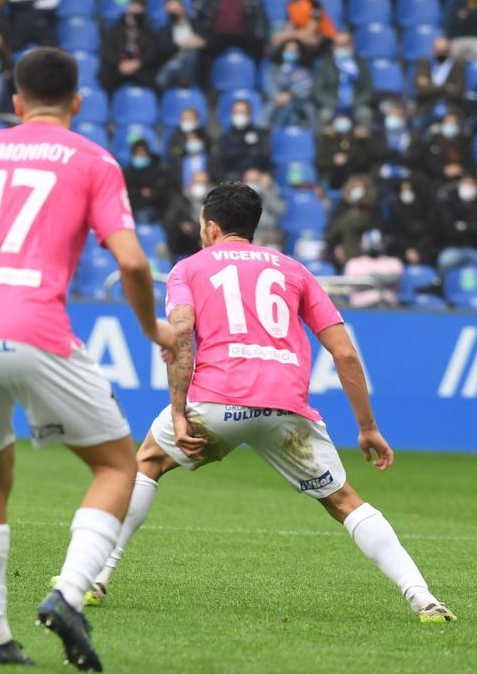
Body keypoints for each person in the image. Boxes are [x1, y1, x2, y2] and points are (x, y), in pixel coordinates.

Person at [0, 48, 175, 669]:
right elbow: (130, 259)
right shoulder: (94, 160)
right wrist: (153, 327)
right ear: (77, 103)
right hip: (34, 327)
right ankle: (69, 595)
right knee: (117, 467)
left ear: (16, 105)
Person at [78, 182, 456, 624]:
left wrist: (179, 412)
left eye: (203, 226)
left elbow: (181, 336)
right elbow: (345, 353)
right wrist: (367, 427)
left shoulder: (190, 268)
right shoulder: (293, 269)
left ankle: (96, 578)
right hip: (285, 408)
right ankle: (423, 598)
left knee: (146, 463)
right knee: (344, 501)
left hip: (215, 400)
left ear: (212, 227)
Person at [436, 176, 477, 286]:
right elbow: (450, 231)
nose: (467, 188)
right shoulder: (450, 203)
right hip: (458, 248)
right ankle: (444, 290)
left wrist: (466, 227)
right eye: (465, 184)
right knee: (445, 260)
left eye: (471, 184)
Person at [313, 32, 374, 126]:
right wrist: (334, 104)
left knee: (365, 114)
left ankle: (363, 141)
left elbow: (368, 90)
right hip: (331, 104)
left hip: (356, 104)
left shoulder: (361, 64)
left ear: (352, 45)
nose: (341, 48)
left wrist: (354, 103)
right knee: (324, 115)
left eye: (345, 44)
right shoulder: (325, 65)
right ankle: (323, 141)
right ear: (333, 47)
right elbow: (318, 91)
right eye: (338, 44)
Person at [100, 0, 160, 92]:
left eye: (138, 9)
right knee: (106, 79)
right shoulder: (115, 29)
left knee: (154, 83)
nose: (134, 14)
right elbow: (107, 51)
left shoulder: (148, 31)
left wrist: (137, 63)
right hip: (118, 67)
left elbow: (152, 52)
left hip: (140, 68)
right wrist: (120, 64)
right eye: (133, 7)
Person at [325, 175, 378, 268]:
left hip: (369, 257)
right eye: (355, 187)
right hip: (346, 255)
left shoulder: (373, 211)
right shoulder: (342, 208)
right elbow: (331, 234)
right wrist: (336, 248)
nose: (357, 191)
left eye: (360, 187)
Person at [383, 178, 439, 266]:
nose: (406, 191)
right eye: (404, 189)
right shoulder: (394, 208)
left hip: (424, 248)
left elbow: (431, 231)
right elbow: (395, 233)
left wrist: (418, 249)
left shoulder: (426, 206)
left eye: (409, 188)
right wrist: (407, 249)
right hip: (401, 249)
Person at [154, 0, 206, 89]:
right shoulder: (164, 31)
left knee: (192, 52)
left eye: (175, 8)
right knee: (161, 79)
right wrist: (183, 45)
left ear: (182, 8)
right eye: (170, 10)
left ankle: (184, 80)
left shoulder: (195, 24)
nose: (173, 11)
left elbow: (207, 40)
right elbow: (163, 49)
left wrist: (201, 42)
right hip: (172, 62)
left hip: (193, 64)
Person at [344, 229, 403, 308]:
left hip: (387, 305)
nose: (374, 246)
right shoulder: (353, 263)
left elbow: (394, 279)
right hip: (359, 306)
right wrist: (379, 280)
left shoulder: (394, 262)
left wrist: (369, 279)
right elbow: (356, 284)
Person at [264, 39, 315, 129]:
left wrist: (290, 94)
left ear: (299, 53)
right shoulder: (273, 69)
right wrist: (278, 97)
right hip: (277, 103)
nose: (290, 52)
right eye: (288, 50)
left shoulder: (304, 71)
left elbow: (307, 88)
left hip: (298, 105)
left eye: (293, 50)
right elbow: (269, 85)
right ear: (282, 51)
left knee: (308, 109)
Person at [414, 37, 467, 121]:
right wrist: (445, 87)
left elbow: (458, 92)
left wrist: (430, 87)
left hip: (451, 108)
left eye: (443, 51)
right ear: (432, 49)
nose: (440, 54)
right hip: (427, 107)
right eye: (438, 50)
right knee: (417, 123)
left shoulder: (457, 66)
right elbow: (422, 90)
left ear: (449, 50)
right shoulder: (424, 64)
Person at [316, 113, 373, 190]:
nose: (342, 122)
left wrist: (347, 158)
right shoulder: (325, 138)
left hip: (353, 173)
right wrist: (334, 158)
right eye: (339, 119)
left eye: (345, 119)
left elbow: (363, 159)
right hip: (331, 174)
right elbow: (320, 159)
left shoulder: (360, 139)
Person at [163, 170, 211, 258]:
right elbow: (169, 220)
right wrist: (182, 224)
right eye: (197, 182)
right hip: (185, 239)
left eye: (203, 183)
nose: (199, 186)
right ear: (191, 183)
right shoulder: (180, 199)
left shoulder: (215, 200)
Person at [217, 99, 267, 180]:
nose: (239, 115)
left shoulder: (259, 134)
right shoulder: (225, 137)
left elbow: (261, 156)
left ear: (249, 114)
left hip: (256, 175)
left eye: (242, 112)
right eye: (236, 112)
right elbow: (226, 158)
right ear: (231, 114)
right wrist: (247, 149)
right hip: (233, 177)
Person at [123, 139, 167, 223]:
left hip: (154, 207)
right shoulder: (128, 172)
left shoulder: (156, 170)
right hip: (133, 206)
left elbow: (161, 190)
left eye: (143, 154)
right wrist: (140, 193)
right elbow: (126, 192)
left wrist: (151, 193)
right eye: (138, 154)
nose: (140, 156)